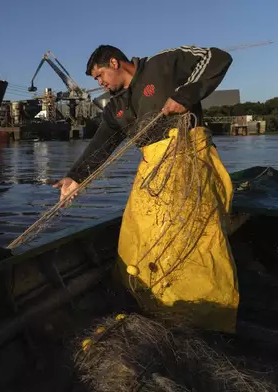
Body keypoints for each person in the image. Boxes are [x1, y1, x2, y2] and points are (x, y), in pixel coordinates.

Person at [53, 45, 238, 333]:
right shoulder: (116, 106)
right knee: (135, 236)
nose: (99, 83)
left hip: (187, 163)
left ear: (115, 62)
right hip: (152, 173)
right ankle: (154, 307)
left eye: (100, 75)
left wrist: (185, 94)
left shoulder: (162, 64)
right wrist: (75, 176)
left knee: (195, 241)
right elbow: (102, 142)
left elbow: (216, 57)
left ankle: (207, 318)